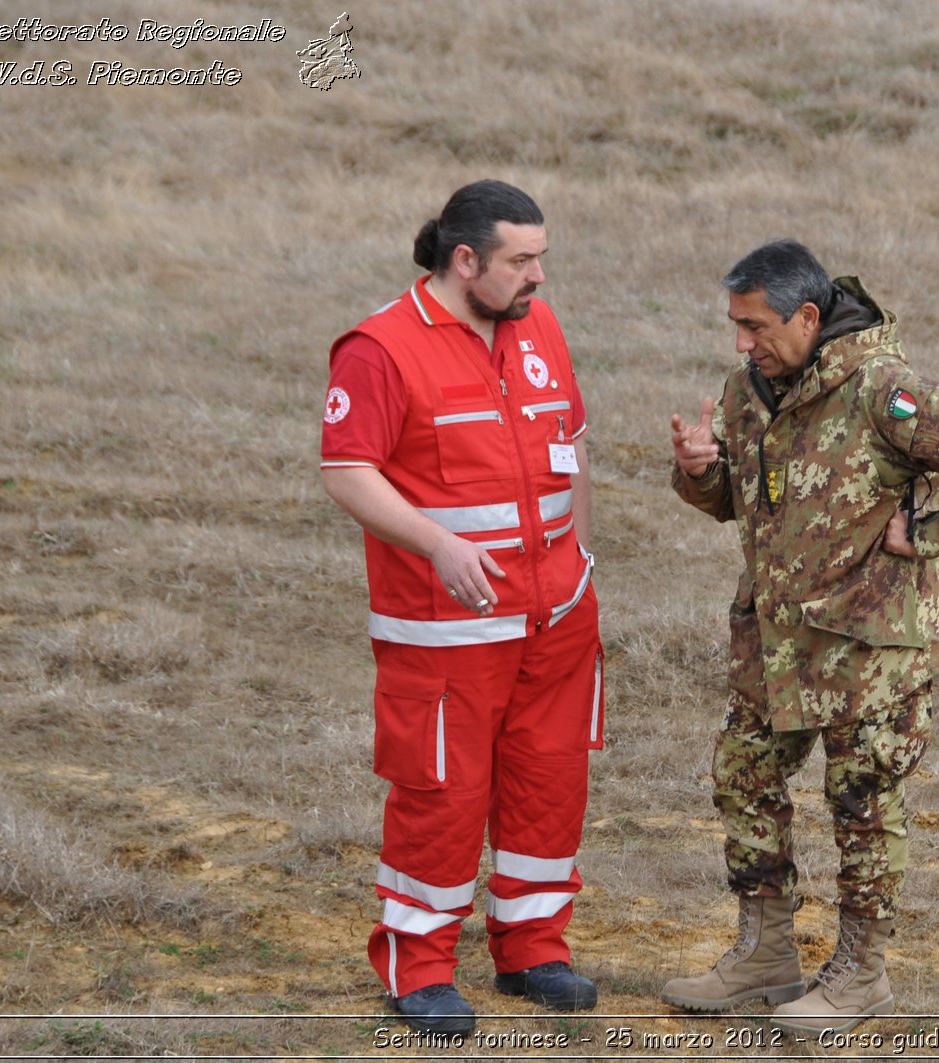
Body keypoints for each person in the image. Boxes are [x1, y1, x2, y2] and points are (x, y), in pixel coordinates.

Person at [663, 238, 939, 1035]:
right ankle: (765, 950)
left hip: (873, 649)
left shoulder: (885, 389)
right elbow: (743, 497)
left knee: (863, 802)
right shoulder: (748, 390)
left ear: (808, 317)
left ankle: (861, 972)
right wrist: (700, 471)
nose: (742, 343)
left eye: (755, 325)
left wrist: (933, 524)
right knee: (742, 773)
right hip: (777, 644)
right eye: (735, 325)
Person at [320, 180, 603, 1034]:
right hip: (444, 632)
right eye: (522, 261)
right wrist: (437, 545)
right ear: (465, 259)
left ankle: (532, 946)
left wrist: (583, 563)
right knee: (440, 795)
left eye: (542, 259)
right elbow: (347, 471)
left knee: (548, 785)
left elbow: (574, 446)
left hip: (555, 622)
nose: (539, 278)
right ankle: (420, 964)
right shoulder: (380, 348)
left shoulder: (536, 327)